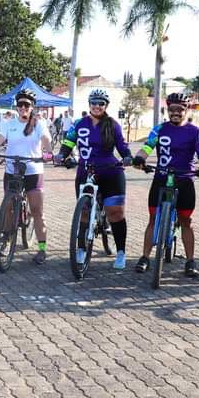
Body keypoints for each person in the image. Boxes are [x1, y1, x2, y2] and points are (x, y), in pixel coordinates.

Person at [132, 92, 199, 277]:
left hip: (185, 179)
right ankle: (145, 257)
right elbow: (147, 147)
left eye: (179, 109)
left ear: (186, 110)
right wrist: (139, 158)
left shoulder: (194, 131)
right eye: (171, 109)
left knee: (186, 222)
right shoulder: (159, 129)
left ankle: (190, 261)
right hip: (161, 177)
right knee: (152, 219)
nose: (175, 112)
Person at [55, 89, 133, 269]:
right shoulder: (79, 124)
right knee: (83, 211)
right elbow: (68, 142)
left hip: (110, 172)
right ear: (89, 104)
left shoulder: (113, 125)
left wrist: (127, 156)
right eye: (94, 103)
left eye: (101, 103)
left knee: (115, 213)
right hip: (85, 171)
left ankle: (120, 251)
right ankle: (81, 248)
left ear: (106, 106)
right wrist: (61, 155)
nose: (97, 106)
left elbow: (122, 145)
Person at [0, 88, 53, 264]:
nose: (23, 107)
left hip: (33, 170)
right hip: (12, 169)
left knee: (37, 211)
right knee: (8, 206)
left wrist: (49, 152)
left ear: (32, 107)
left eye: (26, 105)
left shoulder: (39, 123)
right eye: (20, 104)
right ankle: (6, 237)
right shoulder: (9, 123)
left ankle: (42, 248)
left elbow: (45, 139)